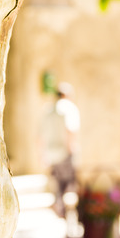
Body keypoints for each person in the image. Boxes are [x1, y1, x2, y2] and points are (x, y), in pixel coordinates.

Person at [40, 82, 80, 218]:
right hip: (65, 151)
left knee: (57, 184)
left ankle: (59, 208)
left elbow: (40, 135)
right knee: (69, 184)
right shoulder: (69, 108)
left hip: (52, 153)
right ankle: (68, 213)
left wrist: (43, 154)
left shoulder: (48, 110)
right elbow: (70, 130)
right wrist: (72, 149)